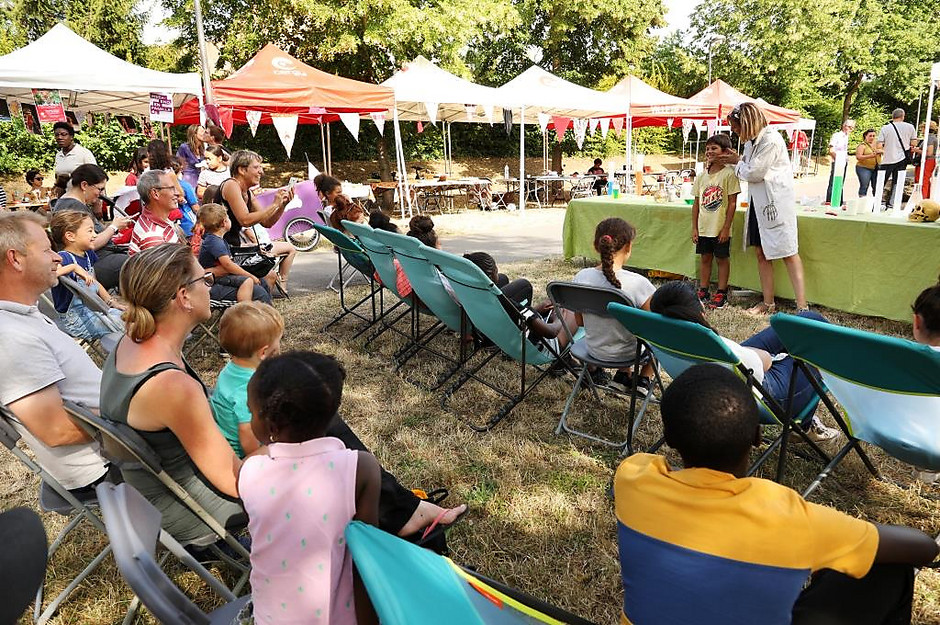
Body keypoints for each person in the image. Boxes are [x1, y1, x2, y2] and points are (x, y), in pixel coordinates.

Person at [614, 363, 938, 625]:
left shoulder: (632, 478)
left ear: (668, 437)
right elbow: (922, 548)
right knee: (885, 566)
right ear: (757, 435)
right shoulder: (786, 514)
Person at [239, 351, 380, 625]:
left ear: (269, 424)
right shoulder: (361, 469)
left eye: (250, 411)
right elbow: (366, 562)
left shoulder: (250, 471)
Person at [0, 212, 111, 495]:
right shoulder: (10, 336)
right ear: (15, 259)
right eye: (47, 249)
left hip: (115, 442)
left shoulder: (22, 316)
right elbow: (56, 430)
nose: (58, 258)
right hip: (106, 464)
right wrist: (131, 414)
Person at [649, 280, 838, 441]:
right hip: (764, 398)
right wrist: (766, 355)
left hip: (716, 380)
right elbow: (766, 362)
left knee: (809, 319)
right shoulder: (720, 346)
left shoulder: (657, 336)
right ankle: (805, 426)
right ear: (701, 312)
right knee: (819, 339)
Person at [719, 102, 807, 314]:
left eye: (735, 126)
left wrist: (736, 162)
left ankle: (802, 306)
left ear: (746, 122)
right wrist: (735, 161)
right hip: (758, 205)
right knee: (761, 253)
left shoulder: (771, 140)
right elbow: (748, 166)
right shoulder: (751, 142)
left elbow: (754, 172)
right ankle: (768, 303)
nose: (734, 130)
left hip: (775, 204)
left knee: (788, 251)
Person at [572, 217, 656, 396]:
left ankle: (623, 376)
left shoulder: (581, 277)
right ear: (628, 247)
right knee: (660, 336)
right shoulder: (639, 284)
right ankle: (644, 379)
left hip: (593, 351)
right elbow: (653, 329)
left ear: (596, 246)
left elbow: (579, 321)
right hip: (628, 354)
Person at [210, 302, 282, 458]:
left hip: (226, 439)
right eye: (278, 342)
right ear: (263, 352)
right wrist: (257, 459)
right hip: (240, 453)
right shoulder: (248, 387)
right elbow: (247, 431)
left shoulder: (233, 367)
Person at [52, 164, 133, 290]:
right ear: (84, 185)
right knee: (139, 263)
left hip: (96, 259)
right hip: (90, 264)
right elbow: (92, 243)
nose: (101, 195)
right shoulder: (73, 208)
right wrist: (113, 227)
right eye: (99, 189)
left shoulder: (72, 204)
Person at [49, 211, 125, 341]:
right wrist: (74, 267)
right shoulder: (64, 257)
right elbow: (52, 274)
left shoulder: (88, 253)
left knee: (129, 315)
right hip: (77, 321)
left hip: (94, 311)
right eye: (90, 231)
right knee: (128, 324)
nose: (95, 235)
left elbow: (94, 281)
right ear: (70, 236)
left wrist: (111, 302)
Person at [691, 134, 740, 309]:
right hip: (704, 228)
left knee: (721, 259)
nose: (710, 151)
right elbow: (696, 204)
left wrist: (726, 227)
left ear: (725, 152)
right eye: (708, 148)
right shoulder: (701, 176)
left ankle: (721, 292)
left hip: (720, 228)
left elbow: (733, 203)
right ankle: (703, 290)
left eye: (714, 148)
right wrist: (695, 228)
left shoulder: (729, 174)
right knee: (705, 258)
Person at [214, 150, 293, 249]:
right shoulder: (231, 185)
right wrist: (274, 204)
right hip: (221, 248)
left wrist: (282, 205)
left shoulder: (248, 192)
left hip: (233, 245)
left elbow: (267, 222)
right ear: (242, 170)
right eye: (256, 167)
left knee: (289, 248)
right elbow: (245, 220)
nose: (261, 172)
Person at [197, 203, 273, 303]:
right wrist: (250, 275)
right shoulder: (215, 242)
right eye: (228, 217)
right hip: (214, 279)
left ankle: (266, 311)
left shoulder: (216, 239)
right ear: (224, 222)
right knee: (249, 282)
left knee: (262, 282)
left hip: (221, 275)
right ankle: (244, 309)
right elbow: (228, 265)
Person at [128, 170, 184, 255]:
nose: (177, 193)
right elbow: (167, 268)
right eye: (172, 188)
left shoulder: (159, 221)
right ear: (155, 194)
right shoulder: (152, 236)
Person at [877, 108, 917, 210]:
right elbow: (913, 143)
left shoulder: (885, 128)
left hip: (887, 158)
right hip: (902, 159)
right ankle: (892, 204)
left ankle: (879, 202)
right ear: (903, 116)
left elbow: (879, 145)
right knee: (897, 182)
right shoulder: (910, 127)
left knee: (882, 181)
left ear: (892, 116)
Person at [826, 119, 855, 205]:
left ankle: (839, 200)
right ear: (844, 126)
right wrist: (838, 159)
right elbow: (831, 150)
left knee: (841, 181)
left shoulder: (846, 137)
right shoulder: (837, 135)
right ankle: (829, 200)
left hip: (843, 161)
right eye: (849, 127)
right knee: (833, 181)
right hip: (838, 161)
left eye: (852, 128)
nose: (851, 129)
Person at [172, 157, 200, 238]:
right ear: (180, 169)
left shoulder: (164, 186)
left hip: (173, 226)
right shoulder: (185, 185)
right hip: (188, 225)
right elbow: (195, 207)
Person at [913, 121, 937, 200]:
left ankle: (923, 197)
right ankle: (926, 196)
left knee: (924, 180)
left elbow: (929, 153)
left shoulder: (930, 138)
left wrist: (917, 151)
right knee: (925, 179)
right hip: (929, 161)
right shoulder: (932, 137)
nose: (921, 130)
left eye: (922, 128)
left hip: (928, 161)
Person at [855, 129, 882, 198]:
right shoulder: (862, 145)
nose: (872, 137)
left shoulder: (877, 144)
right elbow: (858, 157)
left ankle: (876, 202)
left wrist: (881, 151)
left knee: (876, 186)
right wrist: (871, 155)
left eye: (873, 136)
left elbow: (885, 150)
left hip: (876, 167)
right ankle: (862, 201)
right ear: (865, 136)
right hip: (864, 168)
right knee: (864, 185)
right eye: (870, 136)